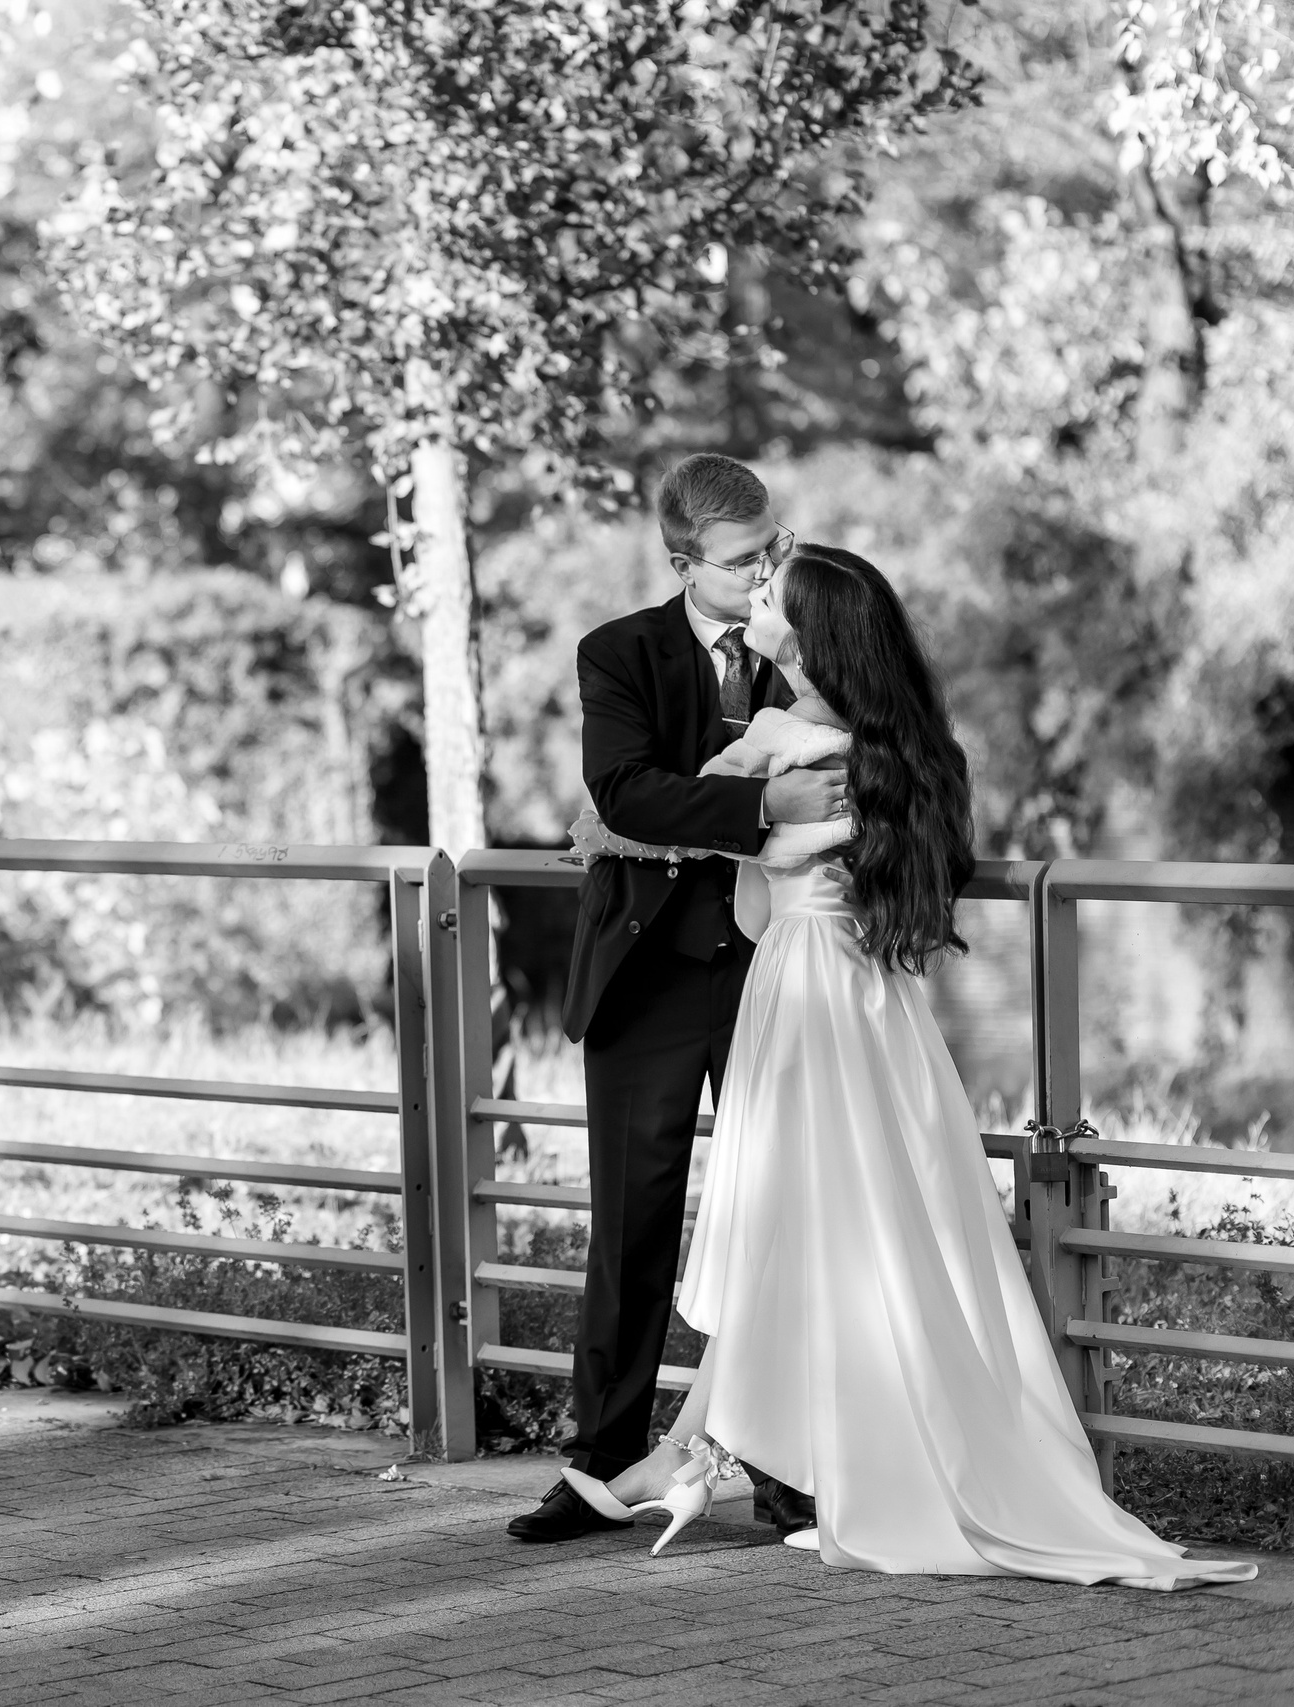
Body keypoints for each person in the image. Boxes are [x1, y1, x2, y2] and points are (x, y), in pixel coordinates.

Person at [561, 544, 1256, 1589]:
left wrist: (727, 786)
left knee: (799, 1228)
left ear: (804, 638)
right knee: (847, 1230)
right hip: (871, 1003)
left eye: (771, 596)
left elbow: (615, 829)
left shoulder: (793, 743)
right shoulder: (888, 745)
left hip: (801, 997)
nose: (755, 598)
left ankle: (696, 1457)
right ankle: (697, 1454)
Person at [507, 455, 842, 1545]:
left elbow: (872, 747)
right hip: (646, 979)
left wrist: (799, 686)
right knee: (633, 1229)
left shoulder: (805, 642)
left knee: (778, 1222)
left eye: (773, 551)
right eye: (745, 562)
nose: (763, 577)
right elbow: (623, 790)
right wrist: (761, 802)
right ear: (682, 559)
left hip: (773, 978)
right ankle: (603, 1465)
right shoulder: (618, 652)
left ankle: (781, 1466)